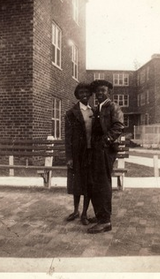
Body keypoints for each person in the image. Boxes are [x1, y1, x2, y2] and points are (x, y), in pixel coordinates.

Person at [87, 79, 124, 234]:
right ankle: (100, 215)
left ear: (109, 92)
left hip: (105, 150)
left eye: (103, 90)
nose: (100, 93)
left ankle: (105, 221)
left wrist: (105, 141)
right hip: (95, 150)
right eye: (97, 92)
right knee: (95, 182)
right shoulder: (97, 109)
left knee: (103, 183)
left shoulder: (113, 107)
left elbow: (118, 126)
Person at [65, 82, 96, 225]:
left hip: (91, 154)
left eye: (87, 93)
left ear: (90, 94)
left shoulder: (94, 112)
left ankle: (84, 213)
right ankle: (76, 210)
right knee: (77, 183)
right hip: (77, 155)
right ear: (77, 95)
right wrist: (69, 157)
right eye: (81, 93)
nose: (84, 95)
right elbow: (68, 137)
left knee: (88, 184)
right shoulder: (71, 113)